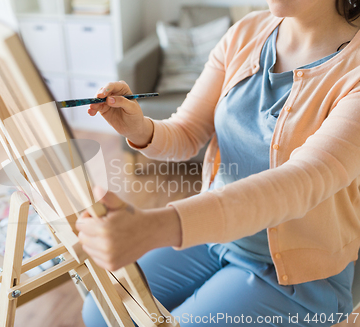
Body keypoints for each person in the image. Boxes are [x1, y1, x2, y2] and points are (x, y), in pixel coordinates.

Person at [76, 0, 360, 326]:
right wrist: (140, 129)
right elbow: (188, 130)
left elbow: (300, 183)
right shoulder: (246, 32)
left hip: (298, 277)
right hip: (214, 236)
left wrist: (156, 227)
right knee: (102, 309)